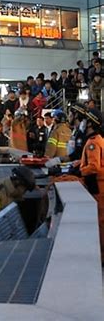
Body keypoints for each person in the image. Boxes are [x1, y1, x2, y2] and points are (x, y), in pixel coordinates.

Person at [79, 108, 104, 261]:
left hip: (98, 186)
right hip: (100, 185)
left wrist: (81, 170)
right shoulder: (99, 139)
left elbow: (94, 166)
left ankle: (100, 256)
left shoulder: (93, 143)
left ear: (90, 123)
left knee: (100, 222)